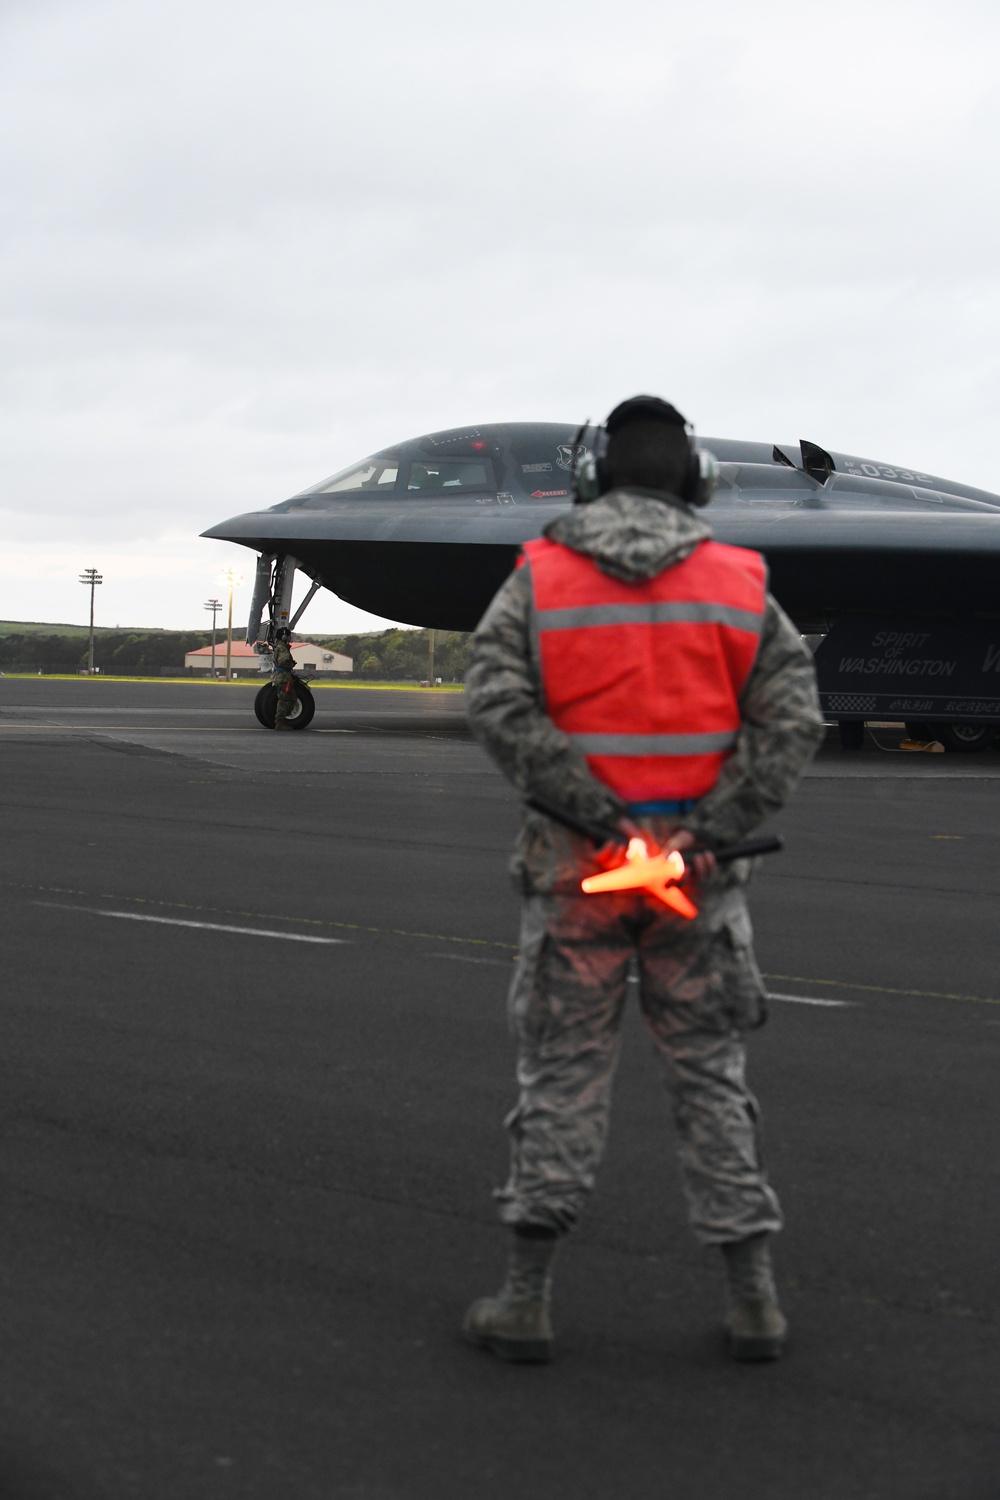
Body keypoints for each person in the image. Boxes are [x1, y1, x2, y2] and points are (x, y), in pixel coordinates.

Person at [463, 396, 824, 1364]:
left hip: (576, 874)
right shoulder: (740, 581)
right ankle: (754, 1304)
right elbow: (793, 721)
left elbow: (494, 699)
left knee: (561, 1076)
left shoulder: (542, 575)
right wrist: (711, 831)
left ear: (591, 479)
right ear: (696, 479)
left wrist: (595, 813)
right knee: (712, 1077)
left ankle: (526, 1302)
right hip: (698, 885)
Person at [272, 629, 298, 730]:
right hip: (283, 677)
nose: (290, 638)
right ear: (284, 637)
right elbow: (282, 661)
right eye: (288, 636)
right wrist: (290, 664)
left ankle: (281, 721)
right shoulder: (282, 648)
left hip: (282, 676)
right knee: (284, 699)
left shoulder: (279, 646)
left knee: (291, 698)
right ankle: (279, 722)